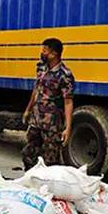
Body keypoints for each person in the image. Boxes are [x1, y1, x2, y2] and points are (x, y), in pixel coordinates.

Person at [22, 38, 75, 170]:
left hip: (52, 125)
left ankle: (48, 188)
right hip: (36, 120)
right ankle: (30, 182)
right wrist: (28, 110)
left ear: (54, 54)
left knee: (50, 160)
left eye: (45, 51)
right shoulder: (41, 68)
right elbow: (36, 89)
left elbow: (68, 101)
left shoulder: (64, 75)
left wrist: (67, 128)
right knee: (28, 154)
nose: (42, 53)